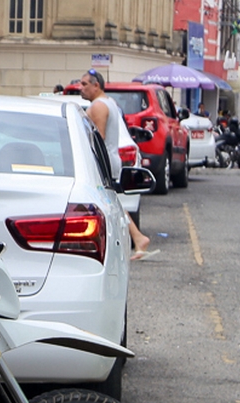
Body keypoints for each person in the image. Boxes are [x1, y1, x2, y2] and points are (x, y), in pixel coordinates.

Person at [78, 69, 158, 261]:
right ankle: (138, 238)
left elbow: (98, 138)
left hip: (104, 162)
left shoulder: (98, 106)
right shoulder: (109, 103)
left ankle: (134, 239)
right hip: (112, 159)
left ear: (96, 85)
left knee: (109, 204)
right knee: (113, 203)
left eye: (84, 84)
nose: (81, 88)